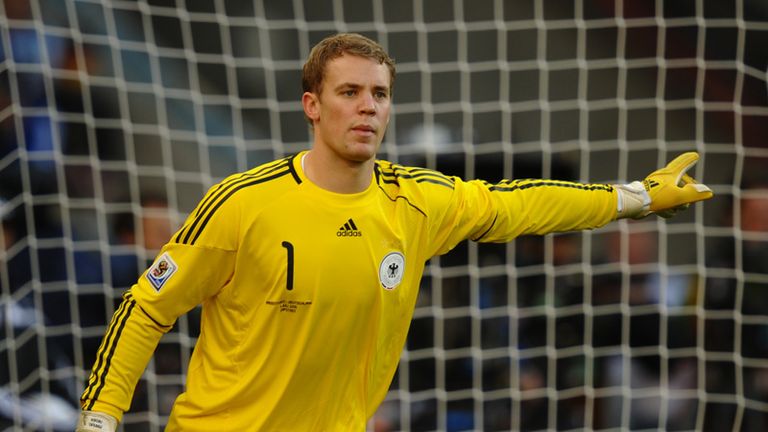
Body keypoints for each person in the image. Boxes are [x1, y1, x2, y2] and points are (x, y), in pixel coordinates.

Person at [76, 33, 713, 432]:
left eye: (379, 94)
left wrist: (634, 197)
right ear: (312, 105)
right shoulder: (243, 203)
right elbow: (146, 307)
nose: (367, 107)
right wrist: (101, 416)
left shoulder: (416, 202)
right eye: (349, 91)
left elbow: (522, 204)